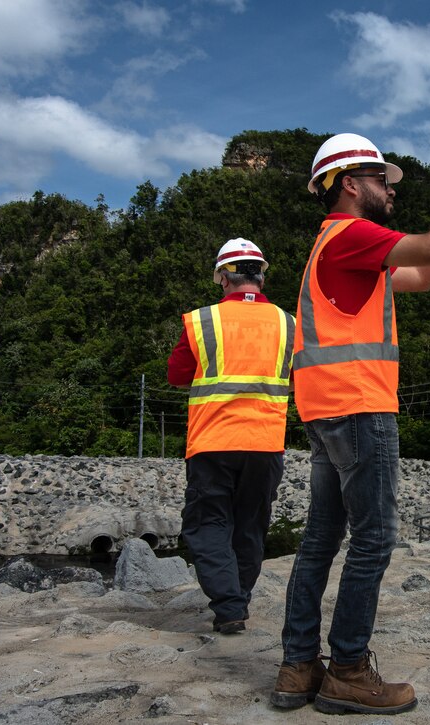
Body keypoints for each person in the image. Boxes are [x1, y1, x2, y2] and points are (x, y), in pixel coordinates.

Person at [271, 133, 430, 715]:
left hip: (326, 411)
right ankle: (346, 670)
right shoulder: (351, 235)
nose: (391, 190)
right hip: (359, 406)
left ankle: (299, 668)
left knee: (322, 538)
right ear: (350, 183)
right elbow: (429, 243)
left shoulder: (338, 249)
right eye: (382, 181)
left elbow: (424, 273)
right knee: (373, 539)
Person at [167, 238, 295, 634]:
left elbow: (176, 376)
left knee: (208, 524)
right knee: (250, 526)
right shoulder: (289, 323)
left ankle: (229, 605)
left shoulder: (202, 321)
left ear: (223, 277)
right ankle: (238, 596)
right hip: (265, 443)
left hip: (212, 442)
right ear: (261, 275)